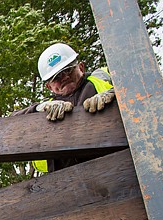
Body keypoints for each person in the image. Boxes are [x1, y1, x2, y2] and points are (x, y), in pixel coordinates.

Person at [11, 42, 116, 172]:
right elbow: (10, 124)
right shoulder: (48, 106)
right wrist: (38, 109)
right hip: (71, 180)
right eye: (57, 77)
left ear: (81, 67)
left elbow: (139, 82)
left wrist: (117, 95)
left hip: (115, 166)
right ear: (49, 86)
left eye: (68, 70)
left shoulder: (104, 76)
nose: (65, 77)